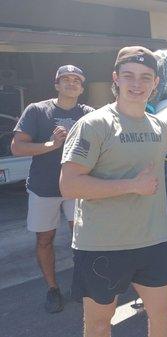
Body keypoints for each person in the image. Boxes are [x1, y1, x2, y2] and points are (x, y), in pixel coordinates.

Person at [60, 46, 167, 337]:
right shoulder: (93, 125)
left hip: (151, 242)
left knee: (164, 313)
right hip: (101, 246)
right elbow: (69, 185)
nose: (137, 84)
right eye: (129, 76)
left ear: (155, 83)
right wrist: (132, 186)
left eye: (146, 77)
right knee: (98, 325)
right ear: (115, 78)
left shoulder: (158, 126)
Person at [11, 65, 94, 313]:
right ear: (56, 84)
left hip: (77, 186)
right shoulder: (37, 110)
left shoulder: (89, 113)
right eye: (65, 79)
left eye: (76, 80)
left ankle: (82, 284)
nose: (71, 83)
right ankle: (53, 289)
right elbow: (17, 148)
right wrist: (52, 144)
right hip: (43, 188)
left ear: (82, 86)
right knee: (45, 240)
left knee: (81, 238)